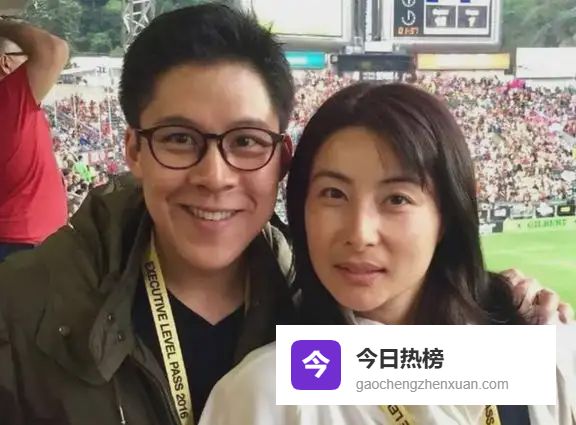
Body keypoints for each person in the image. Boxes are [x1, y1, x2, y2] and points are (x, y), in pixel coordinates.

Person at [0, 5, 570, 425]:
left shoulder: (318, 316)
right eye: (178, 138)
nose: (214, 176)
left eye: (246, 141)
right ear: (133, 149)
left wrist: (511, 315)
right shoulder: (24, 312)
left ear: (281, 158)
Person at [199, 83, 576, 425]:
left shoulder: (541, 354)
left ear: (446, 216)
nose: (360, 234)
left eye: (397, 199)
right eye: (333, 194)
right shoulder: (266, 392)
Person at [0, 17, 69, 262]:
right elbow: (53, 50)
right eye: (26, 56)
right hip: (23, 246)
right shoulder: (8, 100)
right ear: (5, 63)